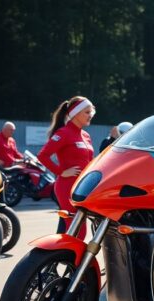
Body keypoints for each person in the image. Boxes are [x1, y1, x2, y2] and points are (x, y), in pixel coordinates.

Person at [38, 96, 96, 237]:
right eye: (87, 112)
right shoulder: (63, 133)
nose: (91, 116)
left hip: (83, 188)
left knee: (79, 231)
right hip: (67, 187)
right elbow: (42, 156)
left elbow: (90, 162)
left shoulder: (86, 135)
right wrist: (61, 172)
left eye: (91, 112)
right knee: (78, 232)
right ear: (75, 113)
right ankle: (69, 258)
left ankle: (64, 257)